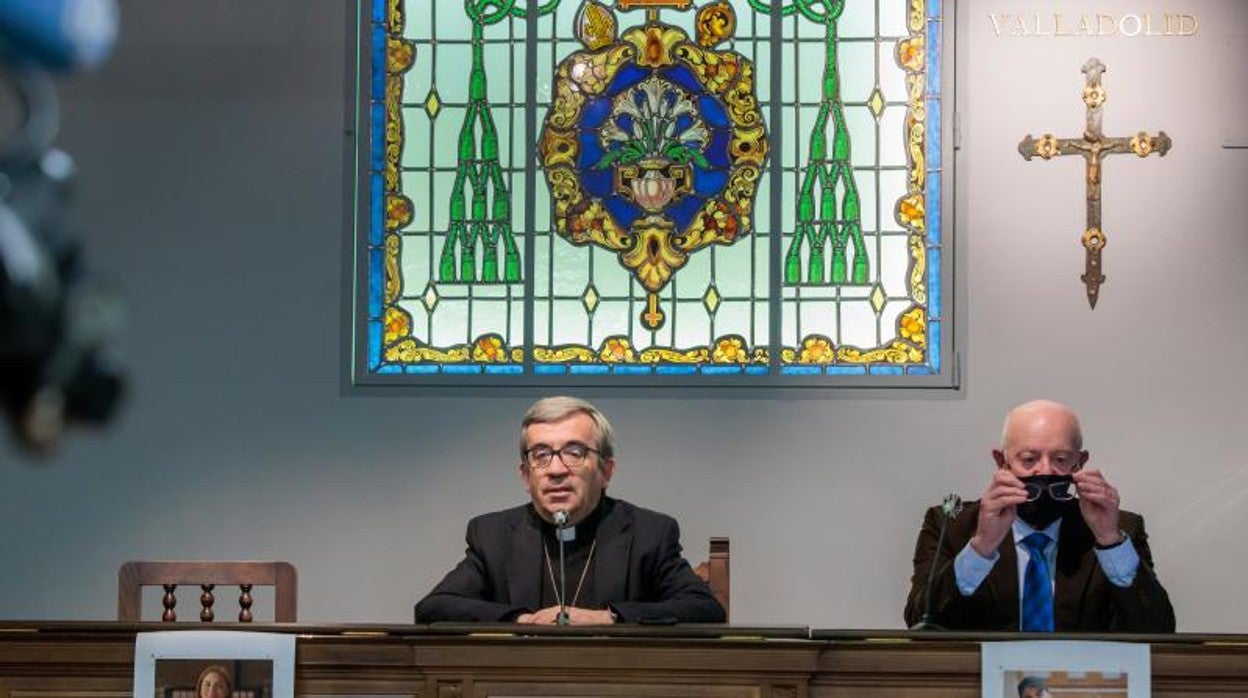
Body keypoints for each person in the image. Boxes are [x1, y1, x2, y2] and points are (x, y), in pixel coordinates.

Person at [414, 396, 725, 624]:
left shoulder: (648, 533)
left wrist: (608, 618)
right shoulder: (493, 535)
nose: (556, 470)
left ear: (606, 471)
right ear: (526, 475)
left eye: (574, 452)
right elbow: (434, 607)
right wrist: (522, 620)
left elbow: (705, 609)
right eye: (541, 455)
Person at [904, 399, 1175, 632]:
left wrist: (1110, 541)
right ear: (1001, 462)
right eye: (1029, 459)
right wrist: (981, 547)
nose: (1044, 470)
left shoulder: (1119, 528)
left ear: (1079, 463)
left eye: (1060, 459)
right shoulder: (950, 526)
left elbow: (1158, 629)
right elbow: (920, 623)